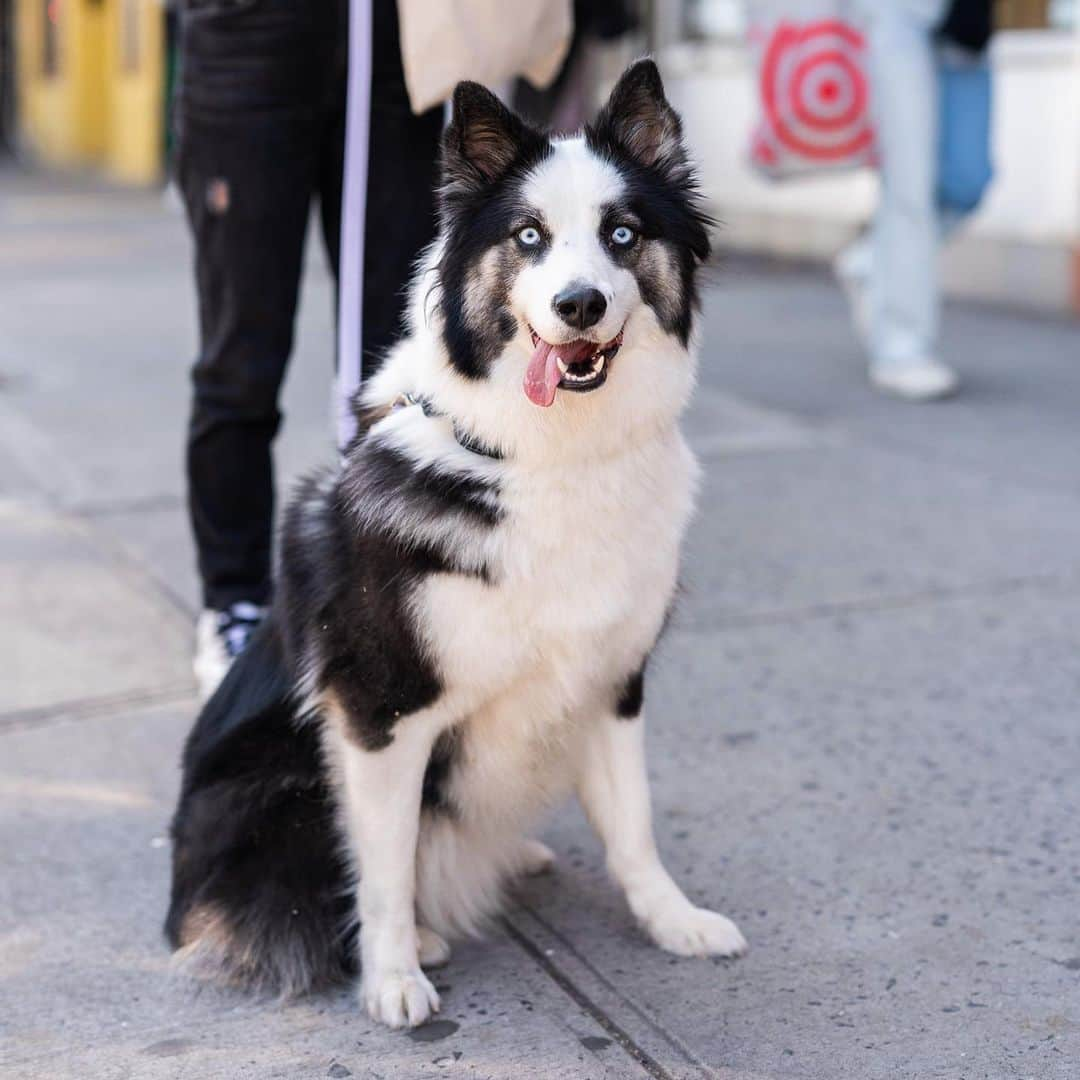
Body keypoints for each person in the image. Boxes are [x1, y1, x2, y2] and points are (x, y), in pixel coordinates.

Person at [177, 0, 572, 700]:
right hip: (248, 41)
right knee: (241, 360)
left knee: (391, 354)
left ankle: (378, 593)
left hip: (397, 46)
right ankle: (234, 601)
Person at [835, 0, 994, 401]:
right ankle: (900, 349)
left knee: (967, 181)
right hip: (895, 15)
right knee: (910, 186)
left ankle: (871, 260)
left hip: (965, 19)